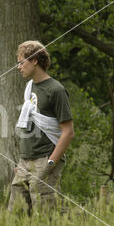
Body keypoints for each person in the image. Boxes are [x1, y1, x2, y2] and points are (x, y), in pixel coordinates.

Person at [9, 40, 75, 215]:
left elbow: (68, 132)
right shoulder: (29, 88)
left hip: (45, 158)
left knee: (46, 217)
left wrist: (50, 163)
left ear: (35, 61)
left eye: (22, 62)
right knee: (16, 216)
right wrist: (22, 161)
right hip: (25, 161)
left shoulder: (56, 90)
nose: (19, 67)